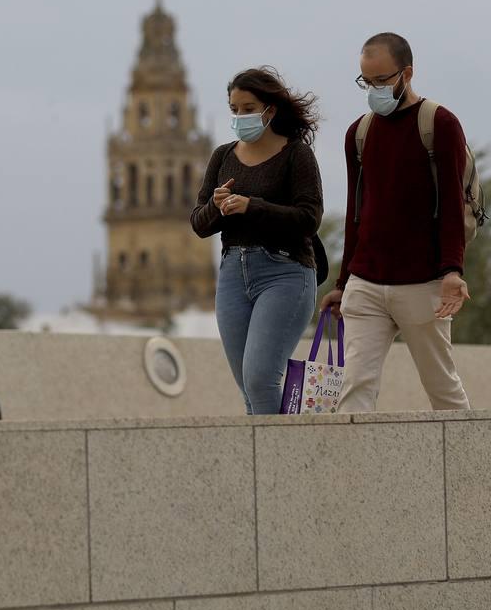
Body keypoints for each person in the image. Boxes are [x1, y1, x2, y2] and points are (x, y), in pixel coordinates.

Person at [319, 32, 470, 412]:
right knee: (354, 389)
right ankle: (352, 472)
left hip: (423, 284)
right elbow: (357, 212)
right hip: (366, 284)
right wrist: (343, 282)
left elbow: (452, 203)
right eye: (366, 82)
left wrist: (452, 270)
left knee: (442, 390)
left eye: (382, 81)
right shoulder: (359, 132)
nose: (373, 89)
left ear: (407, 73)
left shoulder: (439, 123)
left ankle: (474, 468)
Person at [191, 67, 324, 415]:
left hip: (284, 272)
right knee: (248, 388)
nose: (240, 117)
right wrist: (217, 207)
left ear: (270, 110)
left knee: (261, 377)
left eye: (248, 109)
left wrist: (253, 206)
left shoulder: (296, 155)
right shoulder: (222, 156)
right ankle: (269, 462)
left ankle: (275, 464)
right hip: (234, 273)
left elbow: (309, 219)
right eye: (234, 110)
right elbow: (199, 224)